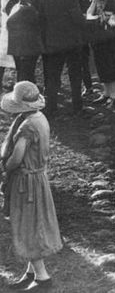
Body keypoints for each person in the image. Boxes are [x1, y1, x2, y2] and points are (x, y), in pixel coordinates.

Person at [0, 81, 62, 290]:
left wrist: (5, 168)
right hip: (37, 178)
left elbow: (17, 157)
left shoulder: (27, 127)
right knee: (32, 223)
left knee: (27, 225)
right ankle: (31, 272)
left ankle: (43, 277)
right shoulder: (39, 118)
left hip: (26, 182)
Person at [40, 0, 85, 118]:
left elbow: (42, 23)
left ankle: (51, 108)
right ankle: (77, 107)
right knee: (75, 76)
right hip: (72, 44)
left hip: (53, 45)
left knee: (53, 77)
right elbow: (78, 20)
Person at [85, 0, 115, 105]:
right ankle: (106, 93)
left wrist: (103, 17)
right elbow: (89, 13)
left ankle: (114, 95)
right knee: (101, 65)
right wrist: (94, 5)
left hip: (110, 39)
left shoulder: (112, 1)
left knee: (110, 66)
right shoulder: (97, 0)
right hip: (99, 39)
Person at [6, 0, 41, 84]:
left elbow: (9, 24)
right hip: (28, 50)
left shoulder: (15, 7)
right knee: (27, 76)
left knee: (21, 74)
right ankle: (25, 97)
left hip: (17, 49)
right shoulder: (29, 10)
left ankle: (21, 96)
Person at [0, 0, 16, 85]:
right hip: (4, 32)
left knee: (15, 59)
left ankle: (16, 82)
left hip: (15, 33)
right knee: (2, 57)